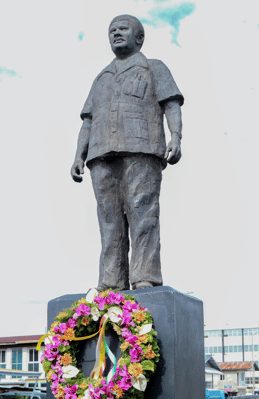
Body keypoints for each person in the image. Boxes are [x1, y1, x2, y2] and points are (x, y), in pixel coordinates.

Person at [70, 14, 184, 291]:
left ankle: (145, 276)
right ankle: (111, 281)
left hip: (142, 148)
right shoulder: (102, 77)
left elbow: (171, 105)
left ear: (139, 38)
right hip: (100, 155)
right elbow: (88, 121)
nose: (116, 33)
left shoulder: (154, 68)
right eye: (112, 30)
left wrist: (176, 136)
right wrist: (78, 156)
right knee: (108, 220)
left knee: (142, 213)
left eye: (123, 29)